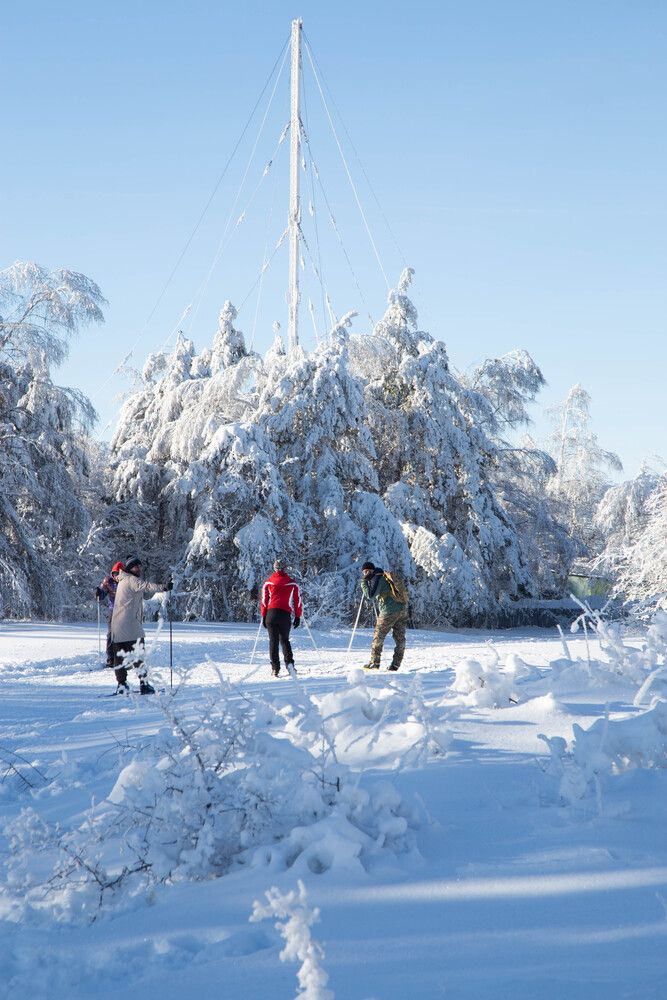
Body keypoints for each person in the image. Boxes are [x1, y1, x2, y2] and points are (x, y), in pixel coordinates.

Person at [110, 557, 171, 695]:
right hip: (130, 626)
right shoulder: (132, 579)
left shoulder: (122, 580)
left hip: (117, 627)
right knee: (139, 655)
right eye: (135, 567)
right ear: (129, 568)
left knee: (120, 658)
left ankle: (121, 685)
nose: (138, 569)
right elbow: (147, 586)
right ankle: (144, 684)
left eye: (139, 566)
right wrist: (164, 587)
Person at [360, 561, 408, 671]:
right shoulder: (385, 577)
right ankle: (395, 665)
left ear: (372, 570)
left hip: (389, 612)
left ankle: (374, 663)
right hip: (402, 610)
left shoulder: (378, 579)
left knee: (378, 636)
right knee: (400, 638)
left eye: (367, 571)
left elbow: (370, 595)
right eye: (364, 572)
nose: (366, 574)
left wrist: (363, 583)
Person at [260, 558, 302, 677]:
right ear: (285, 568)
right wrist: (297, 616)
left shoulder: (268, 583)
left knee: (273, 641)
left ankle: (275, 668)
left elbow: (264, 601)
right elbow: (297, 601)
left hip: (271, 615)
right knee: (284, 640)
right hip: (284, 615)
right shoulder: (292, 583)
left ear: (275, 568)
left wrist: (263, 615)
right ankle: (290, 666)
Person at [95, 561, 124, 667]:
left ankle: (123, 657)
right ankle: (111, 658)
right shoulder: (108, 581)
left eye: (119, 573)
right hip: (113, 610)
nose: (117, 576)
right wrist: (98, 593)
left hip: (125, 611)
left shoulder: (126, 582)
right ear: (113, 573)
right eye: (116, 573)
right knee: (111, 634)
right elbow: (102, 595)